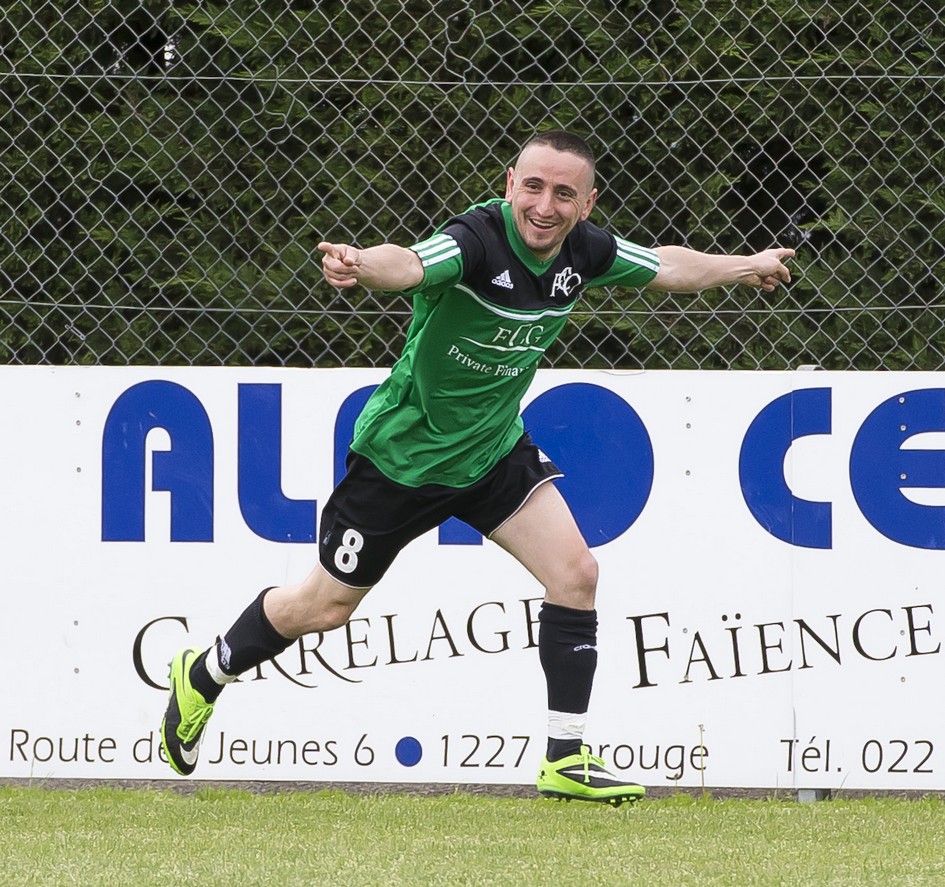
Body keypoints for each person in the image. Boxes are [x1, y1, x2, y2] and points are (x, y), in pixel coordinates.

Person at [161, 129, 794, 804]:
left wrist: (744, 263)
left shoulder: (587, 250)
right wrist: (357, 263)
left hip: (492, 453)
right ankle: (205, 672)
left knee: (576, 574)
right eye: (532, 186)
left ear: (586, 203)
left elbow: (666, 266)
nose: (544, 205)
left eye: (562, 193)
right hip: (401, 460)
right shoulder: (474, 240)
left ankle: (564, 756)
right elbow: (405, 263)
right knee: (320, 608)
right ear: (508, 185)